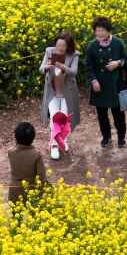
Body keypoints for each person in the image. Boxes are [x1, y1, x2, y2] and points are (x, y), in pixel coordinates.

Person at [84, 16, 127, 148]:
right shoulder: (92, 46)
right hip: (99, 85)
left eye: (102, 30)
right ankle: (106, 137)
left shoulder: (117, 43)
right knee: (102, 115)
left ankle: (121, 138)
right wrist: (93, 80)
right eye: (97, 30)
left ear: (108, 30)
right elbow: (89, 66)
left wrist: (117, 63)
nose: (99, 33)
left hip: (115, 84)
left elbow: (126, 59)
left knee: (118, 114)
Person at [40, 31, 80, 160]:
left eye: (62, 46)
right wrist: (47, 66)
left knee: (64, 118)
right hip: (52, 92)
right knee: (54, 117)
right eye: (58, 45)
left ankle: (62, 139)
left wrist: (62, 67)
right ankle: (54, 145)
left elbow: (73, 72)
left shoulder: (74, 55)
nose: (60, 48)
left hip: (66, 93)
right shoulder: (49, 52)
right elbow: (41, 69)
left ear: (68, 46)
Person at [8, 122, 48, 204]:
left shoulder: (11, 152)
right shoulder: (36, 155)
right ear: (33, 137)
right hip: (31, 194)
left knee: (16, 215)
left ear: (16, 137)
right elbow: (42, 177)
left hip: (14, 193)